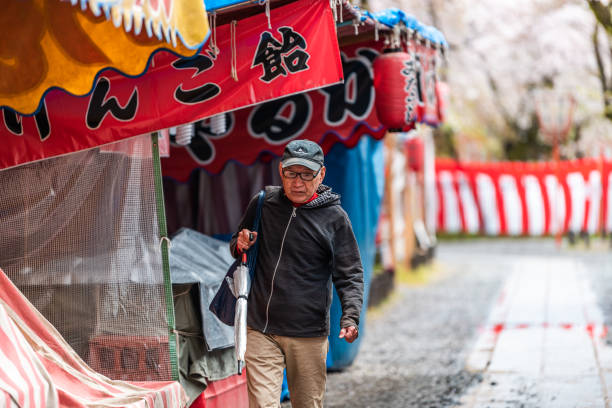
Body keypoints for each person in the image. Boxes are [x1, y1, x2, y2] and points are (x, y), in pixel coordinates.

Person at [229, 139, 364, 408]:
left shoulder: (335, 219)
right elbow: (238, 244)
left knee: (307, 404)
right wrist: (240, 243)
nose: (298, 183)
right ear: (281, 171)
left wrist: (350, 316)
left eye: (306, 175)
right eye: (291, 174)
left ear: (321, 174)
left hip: (308, 333)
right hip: (261, 328)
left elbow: (350, 274)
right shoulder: (263, 203)